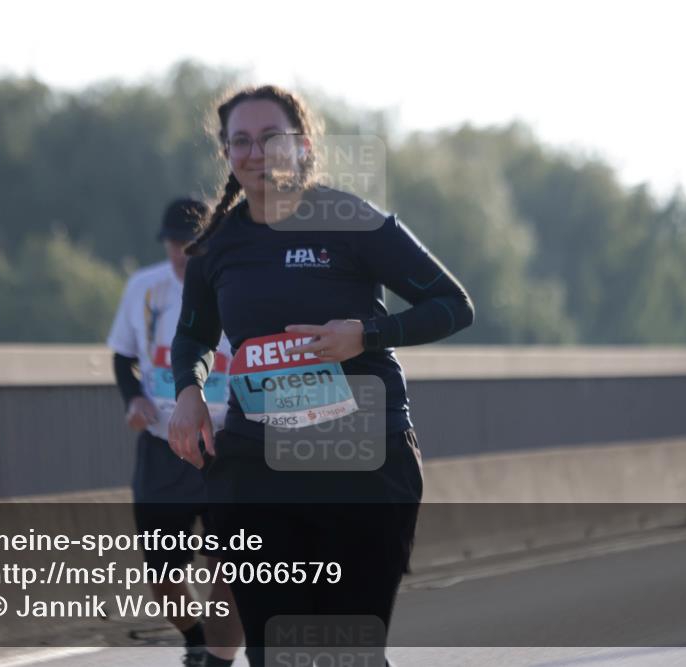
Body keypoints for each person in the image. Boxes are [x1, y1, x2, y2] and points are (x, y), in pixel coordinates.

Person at [168, 85, 475, 667]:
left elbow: (453, 305)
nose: (256, 153)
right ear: (226, 153)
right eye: (240, 141)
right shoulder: (216, 244)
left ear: (303, 145)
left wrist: (366, 334)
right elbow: (193, 337)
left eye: (271, 138)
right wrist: (189, 392)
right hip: (258, 466)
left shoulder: (352, 220)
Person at [107, 198, 242, 667]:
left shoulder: (237, 285)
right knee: (162, 574)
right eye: (173, 244)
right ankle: (196, 639)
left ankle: (218, 656)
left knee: (230, 565)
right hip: (164, 446)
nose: (181, 253)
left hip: (227, 445)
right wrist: (134, 398)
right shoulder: (145, 288)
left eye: (191, 243)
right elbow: (123, 355)